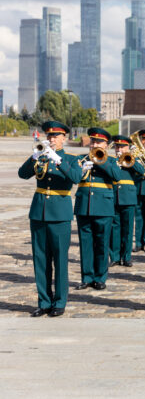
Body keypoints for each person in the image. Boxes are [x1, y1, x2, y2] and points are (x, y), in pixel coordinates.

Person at [19, 121, 82, 317]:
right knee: (40, 259)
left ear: (65, 138)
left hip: (59, 214)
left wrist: (58, 160)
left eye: (56, 136)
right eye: (50, 136)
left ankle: (60, 302)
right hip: (39, 212)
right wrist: (35, 156)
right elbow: (22, 174)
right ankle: (44, 302)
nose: (52, 139)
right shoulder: (41, 157)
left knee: (60, 259)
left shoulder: (71, 159)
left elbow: (76, 178)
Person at [74, 127, 121, 291]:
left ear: (106, 145)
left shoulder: (112, 161)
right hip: (84, 206)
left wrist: (100, 161)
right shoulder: (80, 158)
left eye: (99, 142)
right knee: (85, 244)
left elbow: (117, 176)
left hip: (103, 206)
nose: (94, 144)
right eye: (93, 141)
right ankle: (87, 277)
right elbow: (73, 178)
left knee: (101, 243)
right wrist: (83, 167)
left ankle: (100, 277)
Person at [110, 135, 144, 268]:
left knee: (128, 230)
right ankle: (115, 257)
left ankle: (127, 257)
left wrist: (131, 159)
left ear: (128, 148)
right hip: (113, 197)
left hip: (128, 198)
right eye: (117, 146)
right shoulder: (111, 160)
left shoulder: (132, 160)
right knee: (114, 229)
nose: (119, 149)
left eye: (122, 147)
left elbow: (142, 171)